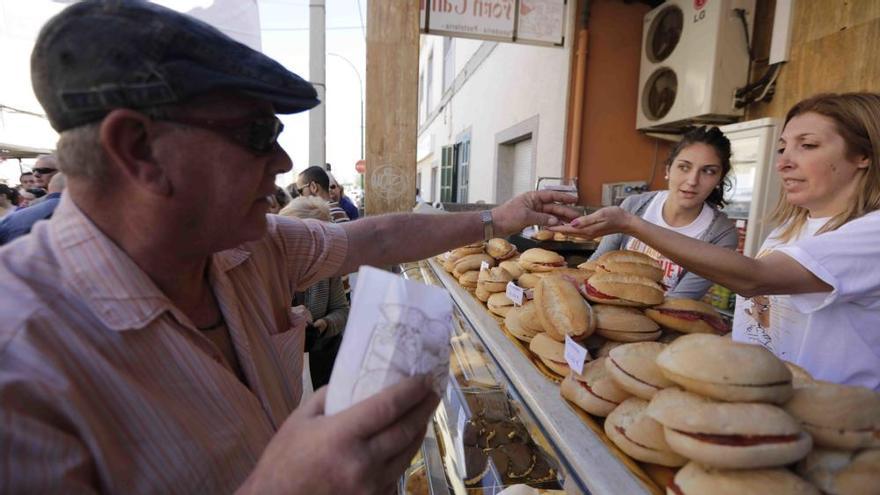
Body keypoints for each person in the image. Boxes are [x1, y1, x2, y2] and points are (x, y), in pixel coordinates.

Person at [0, 2, 577, 493]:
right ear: (138, 150)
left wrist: (498, 219)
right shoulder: (22, 364)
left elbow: (375, 237)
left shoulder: (250, 249)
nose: (282, 162)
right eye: (258, 133)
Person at [554, 92, 880, 390]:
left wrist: (631, 224)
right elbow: (763, 325)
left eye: (807, 145)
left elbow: (754, 279)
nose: (783, 163)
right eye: (782, 148)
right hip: (760, 397)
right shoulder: (788, 230)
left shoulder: (871, 234)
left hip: (828, 419)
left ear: (863, 155)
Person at [589, 126, 738, 298]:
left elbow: (679, 303)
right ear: (668, 170)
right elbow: (593, 269)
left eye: (708, 171)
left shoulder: (721, 235)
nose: (692, 181)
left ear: (719, 179)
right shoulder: (634, 206)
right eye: (684, 167)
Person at [279, 196, 350, 388]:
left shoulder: (327, 269)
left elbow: (342, 310)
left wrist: (324, 324)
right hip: (282, 368)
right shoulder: (270, 271)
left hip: (321, 363)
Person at [0, 173, 65, 245]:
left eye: (31, 181)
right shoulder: (19, 205)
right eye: (25, 182)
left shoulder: (48, 199)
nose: (29, 184)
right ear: (22, 184)